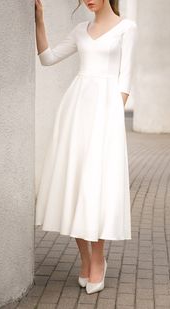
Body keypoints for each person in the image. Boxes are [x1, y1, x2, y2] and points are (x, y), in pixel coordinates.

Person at [34, 0, 137, 294]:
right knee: (76, 183)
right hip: (76, 113)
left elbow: (125, 80)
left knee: (97, 185)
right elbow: (48, 58)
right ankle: (84, 257)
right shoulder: (81, 30)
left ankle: (98, 259)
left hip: (105, 116)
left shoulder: (127, 28)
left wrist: (113, 121)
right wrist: (39, 20)